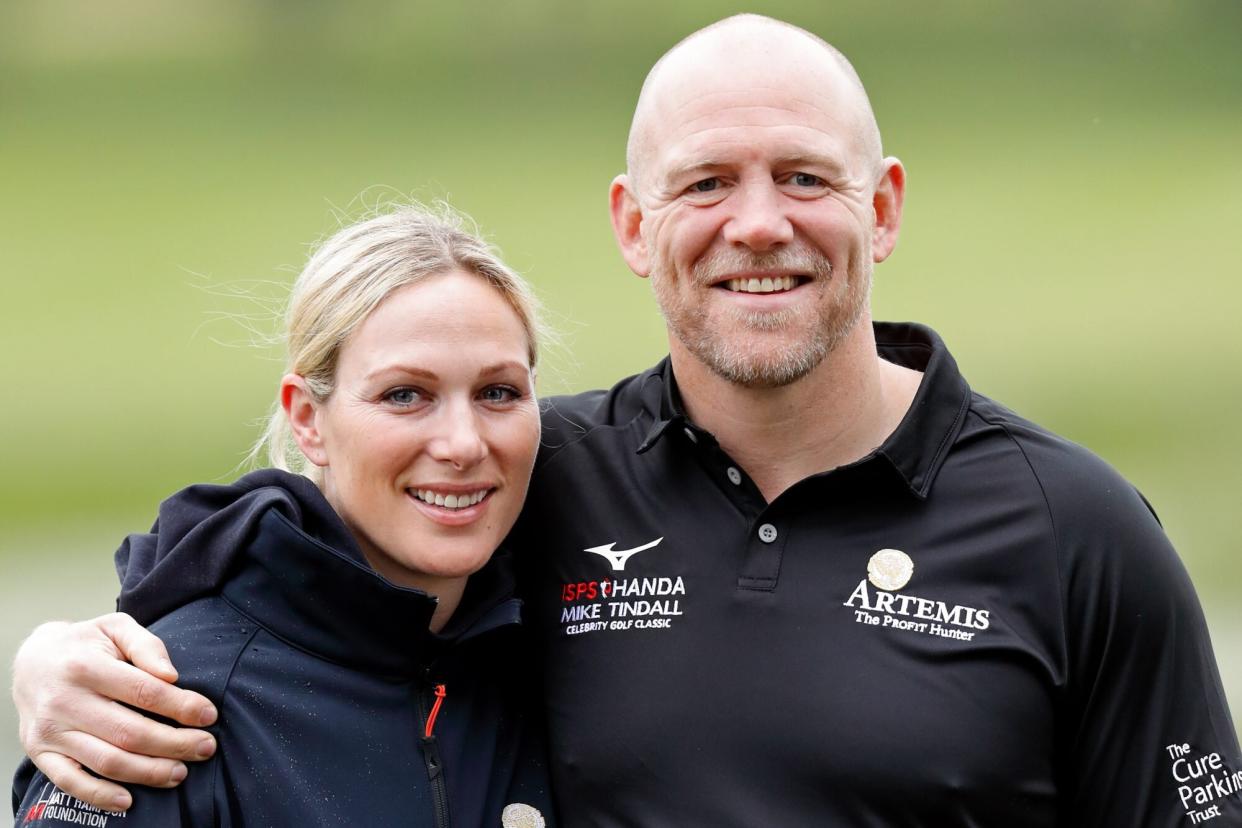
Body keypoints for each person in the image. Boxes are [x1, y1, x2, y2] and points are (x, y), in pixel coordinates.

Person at [12, 13, 1241, 826]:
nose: (757, 224)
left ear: (885, 207)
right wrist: (72, 655)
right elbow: (291, 556)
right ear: (632, 224)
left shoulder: (1076, 531)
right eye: (705, 182)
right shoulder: (535, 475)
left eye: (805, 177)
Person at [11, 205, 556, 827]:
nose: (463, 444)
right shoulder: (161, 704)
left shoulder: (578, 639)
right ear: (306, 419)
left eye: (499, 393)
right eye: (405, 395)